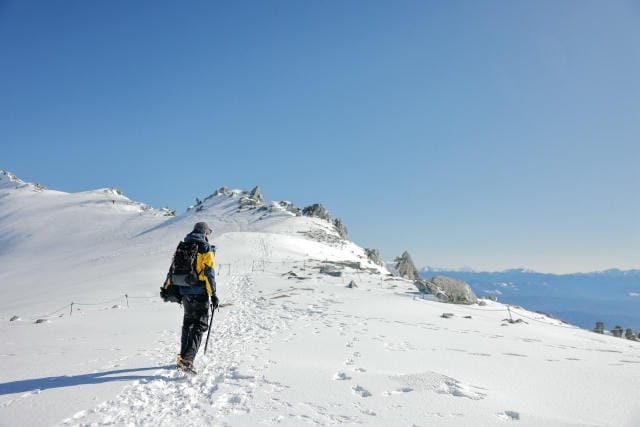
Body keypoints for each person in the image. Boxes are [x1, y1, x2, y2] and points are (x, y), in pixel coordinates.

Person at [173, 221, 219, 373]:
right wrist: (213, 295)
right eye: (208, 233)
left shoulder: (182, 246)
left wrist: (170, 289)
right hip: (199, 292)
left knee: (187, 324)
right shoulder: (205, 248)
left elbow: (171, 270)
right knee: (199, 325)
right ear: (205, 232)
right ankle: (188, 360)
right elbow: (209, 274)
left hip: (184, 291)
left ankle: (182, 358)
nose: (208, 236)